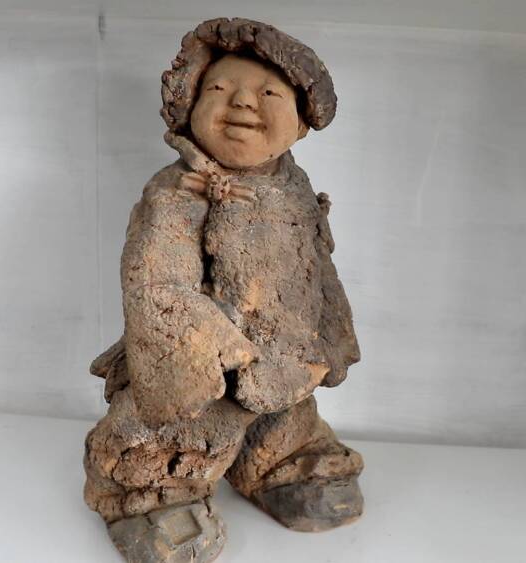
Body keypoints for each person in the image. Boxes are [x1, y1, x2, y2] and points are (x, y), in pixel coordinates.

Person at [84, 18, 362, 562]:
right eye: (219, 88)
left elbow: (316, 263)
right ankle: (147, 495)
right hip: (206, 365)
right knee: (179, 429)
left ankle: (278, 463)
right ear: (189, 108)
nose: (243, 103)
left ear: (302, 124)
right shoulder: (177, 194)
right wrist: (208, 350)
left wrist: (332, 333)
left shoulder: (294, 187)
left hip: (288, 355)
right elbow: (155, 280)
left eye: (269, 94)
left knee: (286, 415)